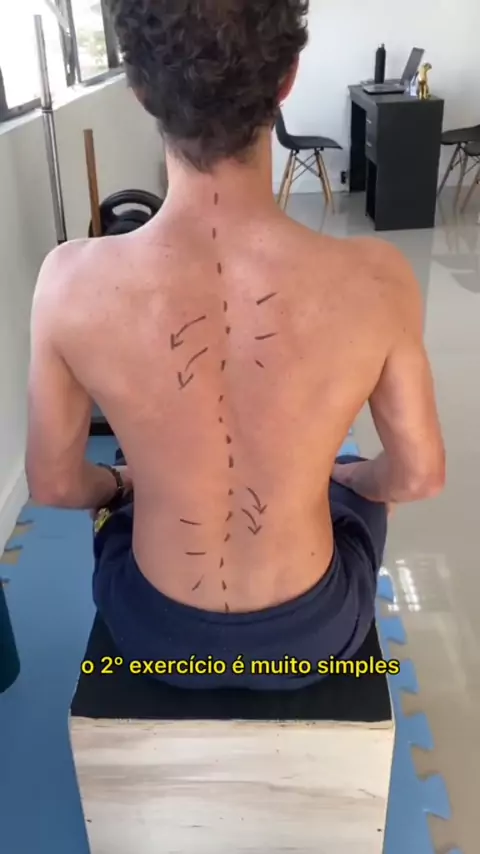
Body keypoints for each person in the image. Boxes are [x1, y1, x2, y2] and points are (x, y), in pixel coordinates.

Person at [25, 0, 445, 690]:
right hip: (312, 634)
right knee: (353, 476)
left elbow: (55, 485)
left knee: (127, 503)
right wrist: (354, 481)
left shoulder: (67, 281)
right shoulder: (379, 278)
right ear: (288, 79)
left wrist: (123, 483)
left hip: (154, 632)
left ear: (140, 88)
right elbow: (418, 477)